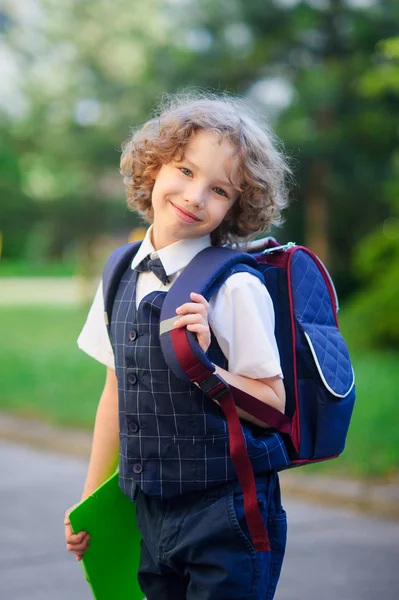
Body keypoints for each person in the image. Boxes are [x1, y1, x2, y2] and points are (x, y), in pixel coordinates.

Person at [64, 91, 292, 600]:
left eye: (219, 190)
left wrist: (208, 363)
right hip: (149, 513)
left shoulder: (235, 287)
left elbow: (274, 405)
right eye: (186, 171)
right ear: (154, 166)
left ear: (237, 207)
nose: (195, 197)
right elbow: (115, 394)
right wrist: (90, 505)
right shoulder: (119, 272)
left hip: (227, 516)